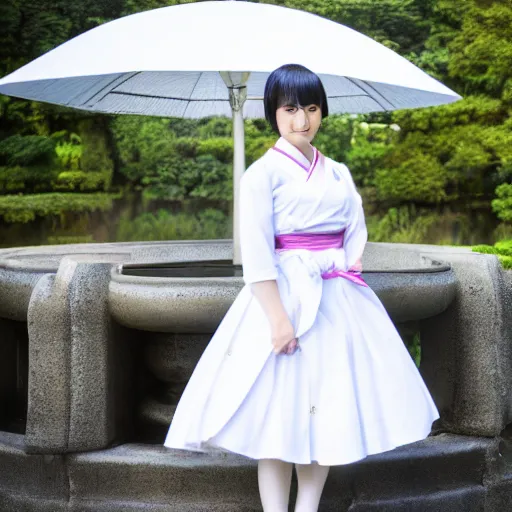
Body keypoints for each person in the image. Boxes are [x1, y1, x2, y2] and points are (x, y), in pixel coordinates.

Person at [164, 63, 440, 512]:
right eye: (290, 109)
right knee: (277, 421)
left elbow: (355, 230)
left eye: (311, 109)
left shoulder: (338, 172)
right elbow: (256, 254)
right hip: (284, 299)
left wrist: (344, 265)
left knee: (328, 411)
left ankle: (308, 506)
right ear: (273, 112)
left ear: (321, 111)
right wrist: (277, 318)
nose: (302, 121)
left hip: (336, 300)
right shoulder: (261, 175)